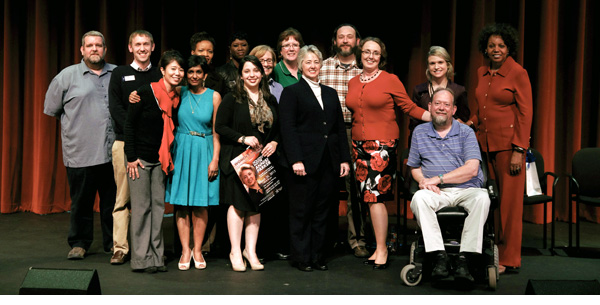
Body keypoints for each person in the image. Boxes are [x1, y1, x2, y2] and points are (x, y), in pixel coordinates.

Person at [346, 37, 432, 269]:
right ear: (360, 53)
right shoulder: (353, 82)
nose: (371, 56)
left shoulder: (390, 80)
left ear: (381, 57)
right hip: (358, 146)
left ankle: (382, 248)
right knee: (368, 198)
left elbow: (409, 107)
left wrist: (435, 117)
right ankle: (378, 246)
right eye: (366, 52)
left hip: (382, 146)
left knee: (375, 198)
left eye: (375, 53)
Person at [44, 31, 117, 260]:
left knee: (112, 203)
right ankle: (79, 243)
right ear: (82, 50)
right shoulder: (66, 77)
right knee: (81, 203)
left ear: (105, 49)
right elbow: (53, 110)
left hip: (112, 152)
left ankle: (114, 244)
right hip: (81, 152)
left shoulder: (118, 74)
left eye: (98, 45)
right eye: (90, 45)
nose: (94, 49)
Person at [279, 45, 351, 272]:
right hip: (304, 162)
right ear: (300, 66)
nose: (312, 66)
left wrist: (344, 160)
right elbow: (287, 129)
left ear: (321, 65)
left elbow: (338, 128)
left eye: (316, 62)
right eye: (308, 62)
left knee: (323, 211)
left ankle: (318, 256)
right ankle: (302, 257)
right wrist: (295, 160)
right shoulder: (291, 92)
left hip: (329, 161)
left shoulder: (330, 93)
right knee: (302, 210)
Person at [408, 88, 490, 283]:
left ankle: (465, 258)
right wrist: (423, 182)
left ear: (453, 110)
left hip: (467, 189)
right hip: (437, 192)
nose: (441, 108)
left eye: (446, 105)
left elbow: (471, 169)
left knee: (482, 198)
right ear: (430, 107)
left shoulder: (466, 132)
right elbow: (414, 166)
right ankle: (439, 256)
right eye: (437, 104)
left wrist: (438, 179)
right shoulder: (419, 132)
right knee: (419, 198)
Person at [469, 23, 533, 274]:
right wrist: (469, 123)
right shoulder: (481, 72)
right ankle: (494, 250)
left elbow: (526, 113)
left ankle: (509, 258)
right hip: (485, 145)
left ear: (509, 49)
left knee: (510, 205)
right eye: (492, 45)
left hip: (508, 148)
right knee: (491, 202)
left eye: (501, 46)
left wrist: (519, 149)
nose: (496, 49)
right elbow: (480, 110)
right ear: (485, 48)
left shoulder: (518, 72)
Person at [215, 55, 280, 272]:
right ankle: (235, 250)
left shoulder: (270, 99)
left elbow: (278, 127)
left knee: (255, 204)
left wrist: (274, 142)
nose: (252, 75)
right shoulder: (233, 98)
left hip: (261, 160)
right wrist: (242, 138)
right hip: (238, 159)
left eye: (255, 71)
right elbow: (220, 126)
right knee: (238, 204)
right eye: (247, 71)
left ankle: (250, 251)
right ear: (241, 75)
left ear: (262, 73)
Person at [124, 50, 185, 273]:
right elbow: (129, 125)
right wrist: (131, 157)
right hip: (139, 160)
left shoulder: (177, 98)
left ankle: (157, 256)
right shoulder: (144, 92)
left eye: (180, 69)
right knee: (141, 209)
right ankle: (141, 259)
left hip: (161, 160)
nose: (177, 73)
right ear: (162, 71)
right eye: (173, 69)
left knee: (158, 209)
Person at [108, 30, 162, 265]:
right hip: (124, 143)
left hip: (154, 147)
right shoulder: (120, 73)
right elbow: (116, 108)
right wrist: (134, 136)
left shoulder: (160, 74)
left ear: (152, 47)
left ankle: (150, 249)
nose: (142, 48)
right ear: (130, 47)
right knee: (123, 198)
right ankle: (120, 248)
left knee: (151, 201)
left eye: (146, 44)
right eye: (137, 44)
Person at [165, 55, 222, 271]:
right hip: (181, 149)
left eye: (199, 72)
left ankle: (197, 249)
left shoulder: (214, 96)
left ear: (205, 75)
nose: (194, 75)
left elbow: (217, 132)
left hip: (204, 148)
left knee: (200, 204)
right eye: (190, 72)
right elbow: (157, 95)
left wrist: (214, 159)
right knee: (181, 204)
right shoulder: (179, 92)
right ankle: (185, 250)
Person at [319, 23, 368, 259]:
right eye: (341, 37)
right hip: (326, 133)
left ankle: (357, 239)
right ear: (335, 41)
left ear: (357, 41)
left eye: (350, 37)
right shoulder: (323, 67)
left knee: (356, 189)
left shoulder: (365, 69)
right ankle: (325, 238)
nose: (345, 40)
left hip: (356, 130)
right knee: (325, 185)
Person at [250, 44, 289, 261]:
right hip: (249, 152)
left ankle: (273, 246)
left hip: (272, 152)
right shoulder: (242, 87)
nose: (266, 64)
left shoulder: (278, 89)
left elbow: (283, 122)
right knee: (255, 201)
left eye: (269, 60)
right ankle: (256, 249)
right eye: (261, 60)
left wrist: (275, 142)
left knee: (274, 201)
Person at [410, 46, 470, 137]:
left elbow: (463, 120)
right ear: (428, 66)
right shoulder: (419, 90)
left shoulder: (459, 91)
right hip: (424, 141)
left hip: (450, 142)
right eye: (432, 63)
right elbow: (414, 123)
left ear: (448, 65)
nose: (436, 67)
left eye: (440, 62)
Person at [190, 31, 226, 96]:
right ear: (193, 53)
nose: (206, 54)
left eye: (210, 51)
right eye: (201, 50)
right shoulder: (184, 77)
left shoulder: (219, 79)